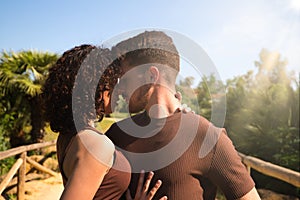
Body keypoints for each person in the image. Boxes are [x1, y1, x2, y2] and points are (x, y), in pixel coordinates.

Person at [106, 31, 261, 200]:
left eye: (125, 80)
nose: (119, 89)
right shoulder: (116, 136)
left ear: (151, 76)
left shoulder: (208, 138)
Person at [42, 44, 168, 200]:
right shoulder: (96, 145)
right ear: (96, 86)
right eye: (114, 83)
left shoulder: (68, 136)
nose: (120, 91)